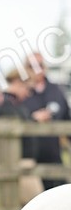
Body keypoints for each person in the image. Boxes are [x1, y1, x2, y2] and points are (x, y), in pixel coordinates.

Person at [21, 51, 69, 188]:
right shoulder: (21, 92)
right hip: (28, 160)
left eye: (40, 65)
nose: (37, 69)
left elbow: (67, 118)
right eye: (32, 66)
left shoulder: (56, 91)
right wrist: (32, 118)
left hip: (53, 158)